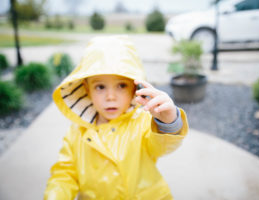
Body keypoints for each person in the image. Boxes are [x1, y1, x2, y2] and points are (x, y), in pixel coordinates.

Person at [44, 35, 189, 200]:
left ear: (134, 88)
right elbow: (65, 174)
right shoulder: (77, 132)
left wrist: (167, 121)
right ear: (87, 89)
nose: (110, 97)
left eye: (121, 85)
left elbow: (162, 146)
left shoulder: (141, 123)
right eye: (100, 87)